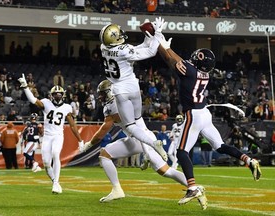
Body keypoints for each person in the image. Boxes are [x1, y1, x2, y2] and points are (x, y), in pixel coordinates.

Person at [157, 36, 262, 205]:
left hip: (194, 114)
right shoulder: (203, 74)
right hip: (204, 113)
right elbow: (178, 61)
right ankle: (248, 160)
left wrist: (161, 43)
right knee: (219, 146)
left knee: (181, 152)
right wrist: (164, 45)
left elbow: (171, 60)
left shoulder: (190, 72)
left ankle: (192, 187)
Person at [80, 80, 207, 210]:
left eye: (102, 94)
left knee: (104, 154)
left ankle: (117, 189)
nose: (100, 97)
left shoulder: (112, 106)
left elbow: (102, 131)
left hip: (140, 139)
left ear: (110, 92)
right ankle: (194, 188)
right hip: (144, 137)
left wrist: (88, 145)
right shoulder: (124, 99)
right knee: (166, 171)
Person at [99, 17, 168, 162]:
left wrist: (148, 38)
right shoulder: (124, 50)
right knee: (138, 120)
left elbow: (138, 49)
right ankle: (148, 154)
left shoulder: (104, 48)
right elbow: (150, 52)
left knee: (130, 127)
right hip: (133, 87)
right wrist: (157, 34)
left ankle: (152, 144)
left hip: (120, 90)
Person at [18, 74, 84, 194]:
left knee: (55, 154)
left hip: (58, 135)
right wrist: (25, 87)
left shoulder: (67, 107)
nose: (57, 96)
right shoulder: (46, 103)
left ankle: (56, 182)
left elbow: (73, 125)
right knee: (47, 163)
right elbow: (33, 100)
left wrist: (80, 140)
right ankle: (55, 181)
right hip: (47, 136)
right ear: (51, 95)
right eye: (55, 94)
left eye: (59, 94)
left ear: (63, 95)